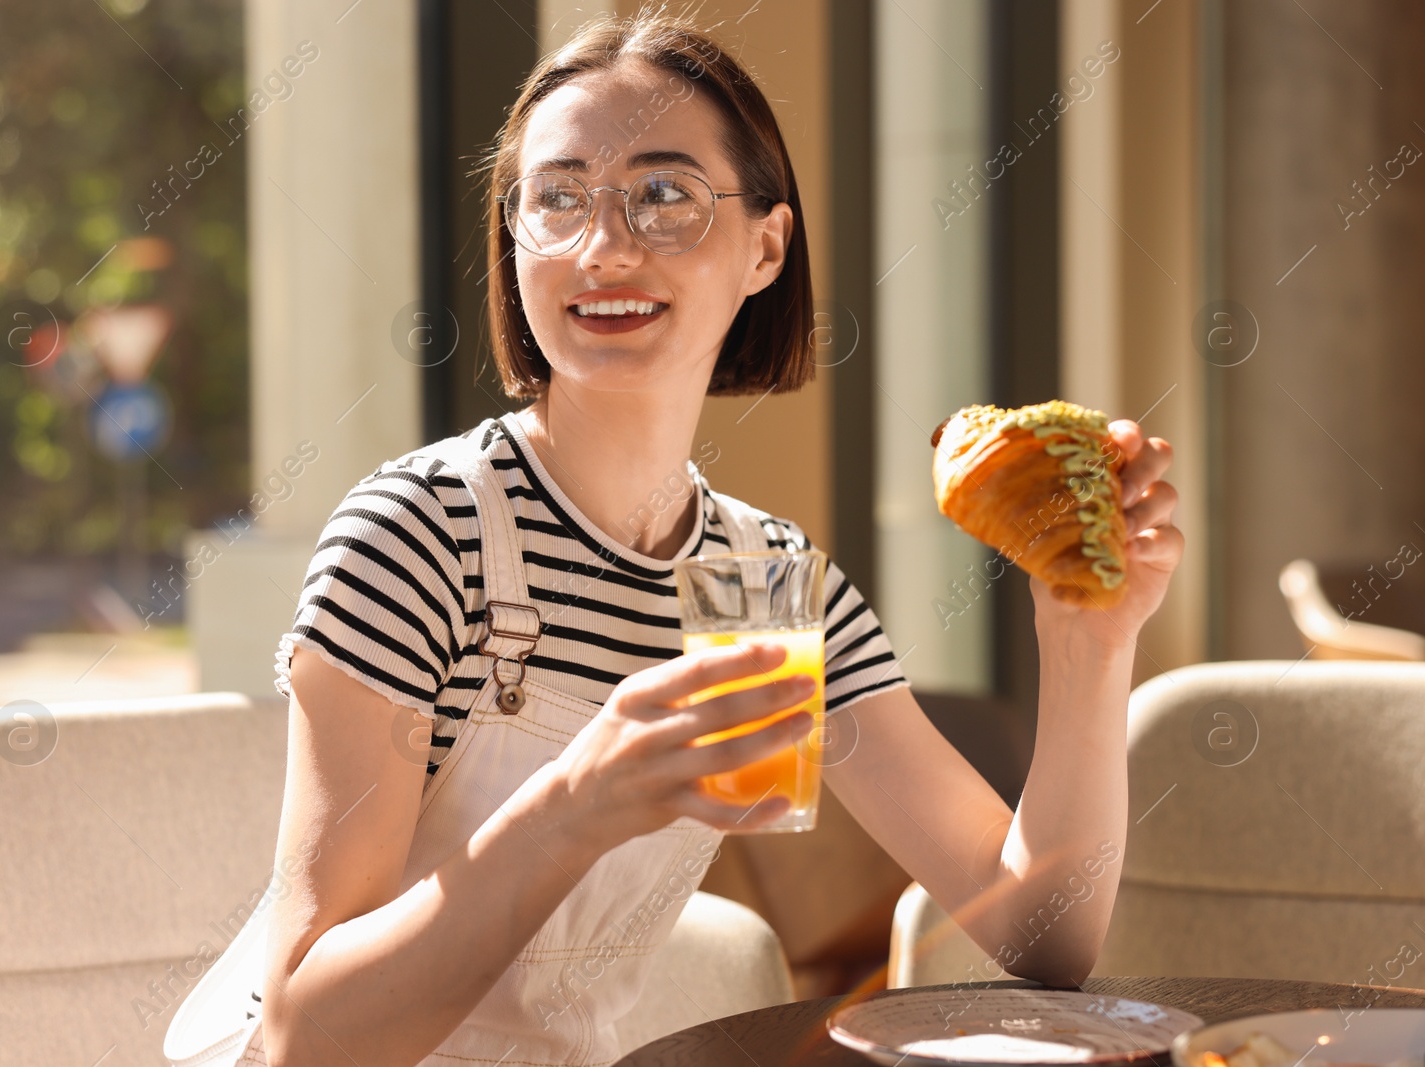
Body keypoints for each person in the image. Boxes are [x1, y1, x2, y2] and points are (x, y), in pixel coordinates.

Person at [255, 11, 1182, 1067]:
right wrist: (578, 800)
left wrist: (1090, 640)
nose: (601, 247)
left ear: (765, 246)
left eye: (663, 195)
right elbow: (304, 1036)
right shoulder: (418, 534)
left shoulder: (772, 582)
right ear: (514, 238)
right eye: (557, 198)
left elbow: (1042, 931)